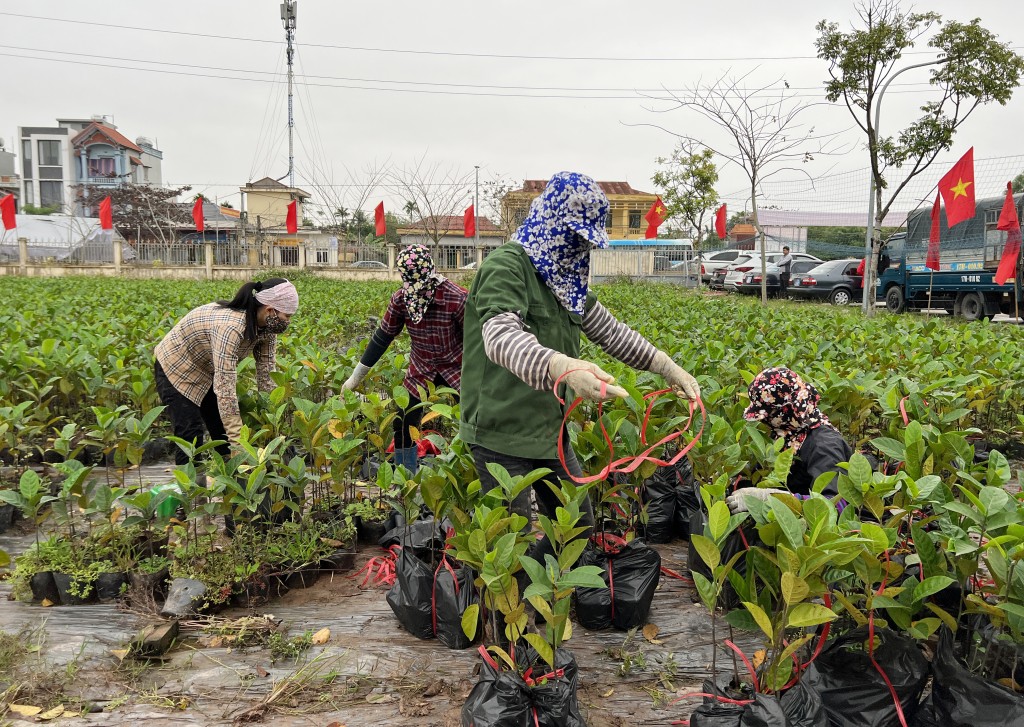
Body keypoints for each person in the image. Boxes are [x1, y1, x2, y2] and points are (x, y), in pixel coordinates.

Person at [459, 171, 701, 560]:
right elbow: (500, 337)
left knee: (577, 526)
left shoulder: (565, 280)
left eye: (585, 239)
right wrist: (563, 366)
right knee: (511, 542)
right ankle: (509, 617)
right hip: (498, 430)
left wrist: (666, 366)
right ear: (551, 221)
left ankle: (548, 593)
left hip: (548, 429)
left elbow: (611, 332)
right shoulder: (507, 267)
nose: (579, 247)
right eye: (574, 235)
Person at [342, 244, 466, 474]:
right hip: (421, 368)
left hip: (456, 368)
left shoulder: (457, 298)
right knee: (404, 422)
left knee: (471, 421)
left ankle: (466, 473)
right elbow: (383, 336)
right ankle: (405, 479)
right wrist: (354, 378)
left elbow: (477, 341)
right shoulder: (401, 299)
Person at [154, 278, 298, 466]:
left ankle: (233, 488)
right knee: (190, 435)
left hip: (207, 368)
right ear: (270, 310)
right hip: (176, 366)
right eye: (287, 316)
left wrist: (274, 423)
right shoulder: (231, 327)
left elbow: (267, 374)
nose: (288, 322)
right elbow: (225, 390)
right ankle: (192, 493)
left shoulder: (268, 329)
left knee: (221, 432)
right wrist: (239, 444)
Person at [726, 367, 852, 514]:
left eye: (768, 416)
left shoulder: (824, 445)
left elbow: (837, 506)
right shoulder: (790, 433)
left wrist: (772, 499)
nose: (765, 422)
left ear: (786, 410)